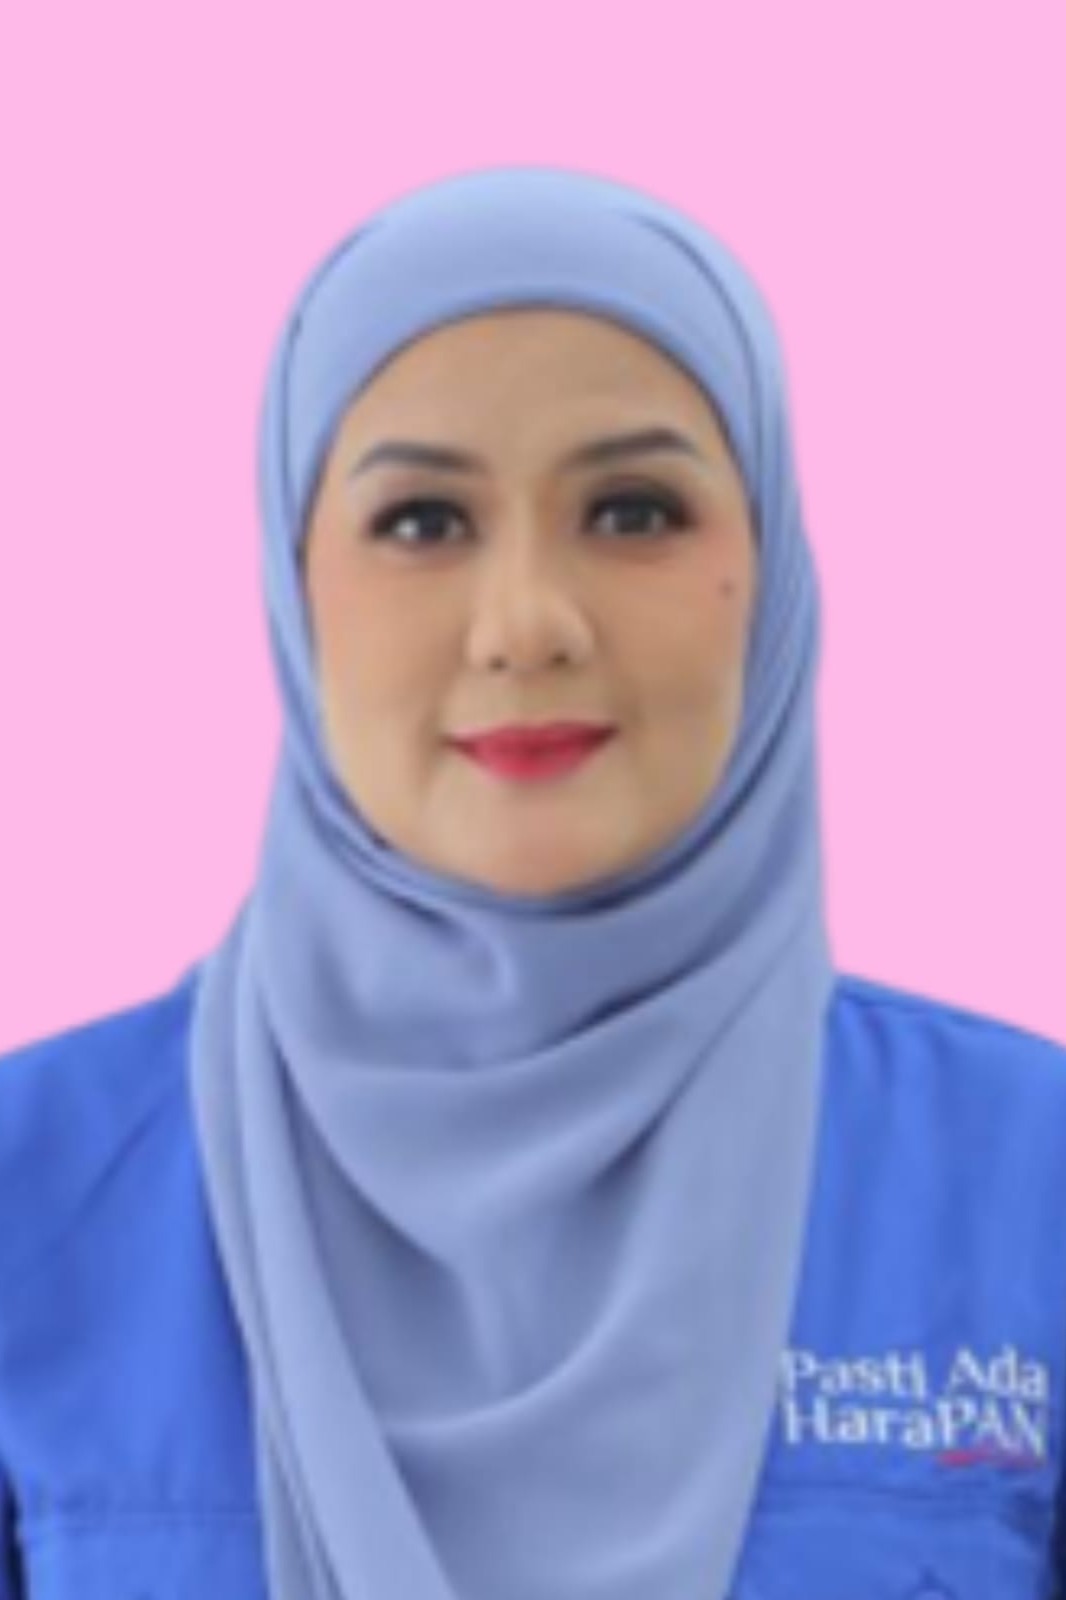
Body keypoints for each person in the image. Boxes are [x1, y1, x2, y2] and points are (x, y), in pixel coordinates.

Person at [0, 164, 1063, 1600]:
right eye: (422, 522)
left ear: (770, 570)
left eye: (631, 511)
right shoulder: (35, 1187)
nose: (526, 624)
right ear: (296, 588)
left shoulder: (1026, 1180)